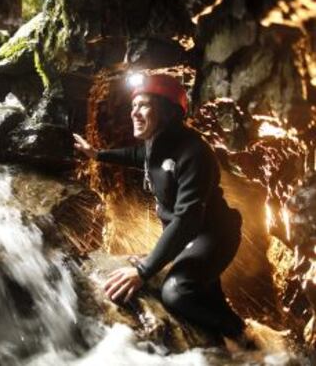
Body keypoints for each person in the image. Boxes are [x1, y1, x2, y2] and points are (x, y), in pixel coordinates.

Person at [73, 73, 245, 340]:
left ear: (166, 112)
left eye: (143, 105)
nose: (134, 113)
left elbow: (187, 219)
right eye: (133, 106)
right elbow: (137, 156)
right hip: (191, 235)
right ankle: (240, 334)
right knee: (206, 292)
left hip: (213, 236)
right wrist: (97, 154)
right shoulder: (156, 145)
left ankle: (236, 335)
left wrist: (142, 272)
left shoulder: (194, 153)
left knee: (176, 292)